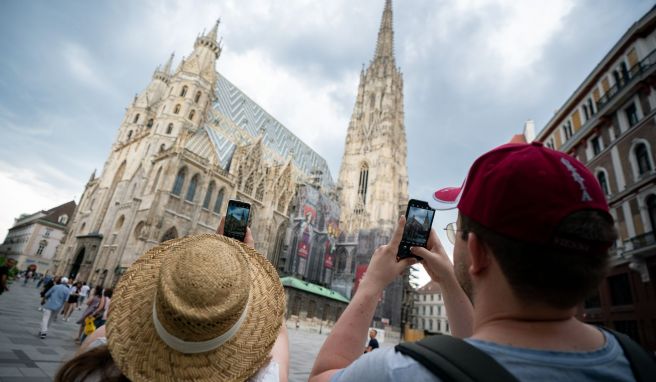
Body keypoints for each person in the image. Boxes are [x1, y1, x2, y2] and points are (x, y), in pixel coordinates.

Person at [310, 142, 650, 382]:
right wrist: (448, 279)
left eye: (456, 229)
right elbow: (477, 350)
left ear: (478, 253)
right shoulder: (635, 363)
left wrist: (371, 285)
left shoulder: (404, 373)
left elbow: (324, 374)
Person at [55, 216, 290, 382]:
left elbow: (115, 329)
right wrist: (241, 262)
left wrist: (206, 260)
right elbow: (277, 331)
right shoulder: (264, 378)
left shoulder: (92, 364)